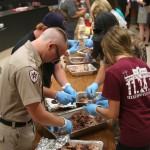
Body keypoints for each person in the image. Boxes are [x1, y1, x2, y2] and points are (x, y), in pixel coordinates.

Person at [0, 28, 73, 150]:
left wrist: (57, 94)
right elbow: (37, 114)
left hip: (23, 125)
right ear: (51, 46)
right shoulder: (27, 66)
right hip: (15, 135)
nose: (53, 62)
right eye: (55, 58)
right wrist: (63, 122)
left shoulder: (28, 53)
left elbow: (29, 89)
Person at [83, 26, 150, 150]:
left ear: (108, 50)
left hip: (131, 136)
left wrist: (95, 108)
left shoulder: (113, 71)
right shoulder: (143, 65)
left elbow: (112, 114)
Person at [11, 12, 78, 105]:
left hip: (43, 93)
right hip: (25, 102)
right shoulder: (22, 49)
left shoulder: (53, 43)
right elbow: (29, 88)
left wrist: (66, 85)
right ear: (45, 30)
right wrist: (55, 94)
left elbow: (57, 66)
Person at [84, 12, 147, 100]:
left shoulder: (134, 44)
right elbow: (105, 65)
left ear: (117, 25)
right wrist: (96, 84)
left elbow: (137, 78)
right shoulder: (110, 41)